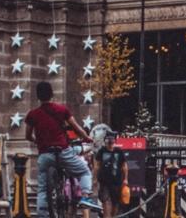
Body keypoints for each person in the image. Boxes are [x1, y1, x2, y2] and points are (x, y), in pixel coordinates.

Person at [25, 82, 101, 217]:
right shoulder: (61, 110)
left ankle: (42, 214)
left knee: (42, 189)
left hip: (44, 154)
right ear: (52, 94)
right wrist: (87, 138)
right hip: (62, 151)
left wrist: (37, 140)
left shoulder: (33, 114)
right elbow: (76, 128)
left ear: (38, 96)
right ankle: (85, 197)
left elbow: (28, 135)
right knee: (84, 172)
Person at [94, 135, 128, 218]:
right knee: (106, 201)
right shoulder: (102, 151)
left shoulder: (119, 151)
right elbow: (97, 165)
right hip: (104, 181)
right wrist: (95, 178)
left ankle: (112, 216)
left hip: (116, 181)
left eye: (111, 142)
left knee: (115, 202)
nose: (110, 144)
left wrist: (126, 179)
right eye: (108, 142)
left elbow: (124, 165)